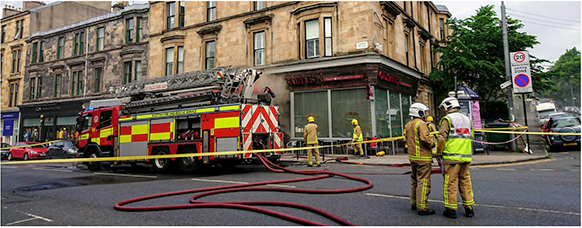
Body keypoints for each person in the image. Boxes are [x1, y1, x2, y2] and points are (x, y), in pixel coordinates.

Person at [437, 97, 475, 219]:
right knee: (465, 182)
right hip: (465, 157)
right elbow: (471, 135)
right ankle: (469, 208)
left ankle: (451, 210)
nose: (444, 111)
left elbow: (442, 138)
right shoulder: (467, 119)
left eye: (444, 109)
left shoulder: (447, 119)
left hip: (452, 157)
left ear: (448, 107)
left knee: (451, 183)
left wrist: (438, 152)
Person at [404, 103, 436, 215]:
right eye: (425, 112)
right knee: (423, 182)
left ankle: (414, 203)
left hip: (413, 158)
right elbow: (425, 140)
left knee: (414, 181)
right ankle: (422, 207)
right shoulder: (421, 124)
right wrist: (433, 144)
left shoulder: (408, 125)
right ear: (420, 112)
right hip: (423, 158)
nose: (426, 114)